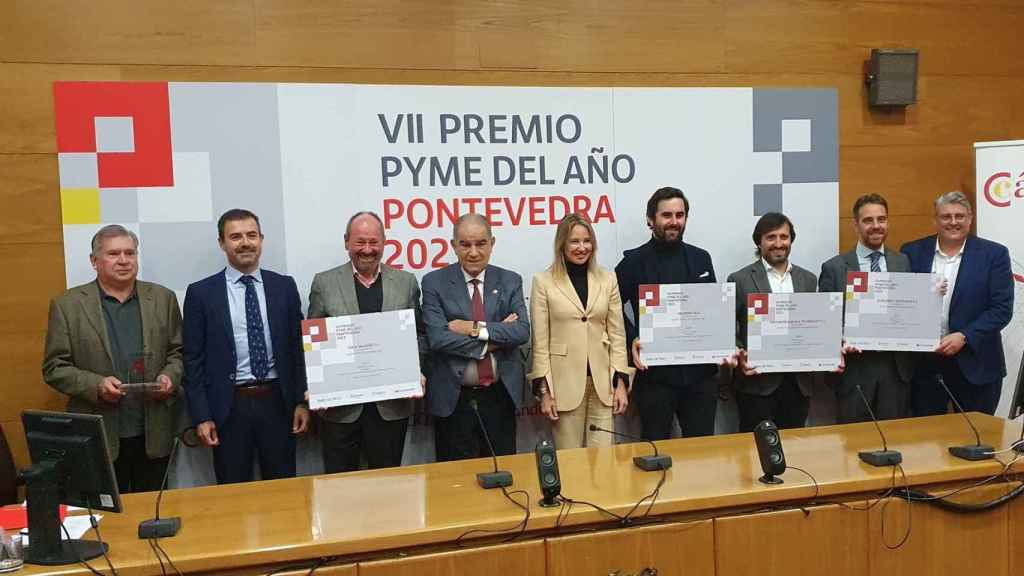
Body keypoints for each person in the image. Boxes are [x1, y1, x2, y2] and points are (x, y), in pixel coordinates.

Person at [43, 225, 184, 493]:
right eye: (114, 253)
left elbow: (178, 352)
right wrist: (96, 385)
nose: (123, 260)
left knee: (152, 512)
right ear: (94, 261)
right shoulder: (68, 305)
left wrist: (170, 377)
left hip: (153, 431)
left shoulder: (163, 298)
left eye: (130, 253)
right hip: (99, 432)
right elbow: (54, 367)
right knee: (107, 518)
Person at [182, 209, 310, 484]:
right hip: (228, 408)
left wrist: (301, 401)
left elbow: (298, 349)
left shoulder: (284, 287)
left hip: (278, 403)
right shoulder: (201, 293)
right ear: (222, 243)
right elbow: (192, 360)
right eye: (235, 236)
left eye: (252, 235)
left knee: (283, 492)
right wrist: (201, 416)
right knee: (232, 491)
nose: (245, 243)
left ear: (261, 239)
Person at [307, 211, 427, 473]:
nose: (368, 250)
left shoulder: (406, 282)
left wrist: (415, 372)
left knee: (387, 482)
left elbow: (418, 335)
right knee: (340, 485)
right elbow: (314, 339)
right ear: (346, 242)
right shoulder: (324, 283)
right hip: (340, 409)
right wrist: (317, 383)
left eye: (374, 242)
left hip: (391, 406)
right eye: (360, 242)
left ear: (384, 243)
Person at [615, 187, 729, 440]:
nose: (674, 222)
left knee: (701, 453)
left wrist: (722, 343)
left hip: (701, 376)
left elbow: (710, 310)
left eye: (680, 215)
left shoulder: (702, 258)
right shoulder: (633, 262)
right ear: (650, 220)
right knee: (655, 451)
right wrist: (632, 336)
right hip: (656, 377)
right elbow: (609, 309)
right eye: (666, 215)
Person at [421, 213, 530, 461]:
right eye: (465, 244)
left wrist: (472, 328)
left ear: (492, 243)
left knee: (504, 474)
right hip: (454, 398)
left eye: (481, 243)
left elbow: (522, 331)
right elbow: (438, 338)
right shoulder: (434, 283)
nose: (473, 252)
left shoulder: (510, 280)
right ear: (453, 245)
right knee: (455, 483)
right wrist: (494, 338)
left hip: (499, 396)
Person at [901, 191, 1014, 416]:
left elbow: (1002, 309)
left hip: (976, 363)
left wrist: (965, 336)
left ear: (970, 219)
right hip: (925, 364)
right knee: (927, 440)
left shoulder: (994, 254)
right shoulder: (912, 252)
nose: (953, 222)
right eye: (946, 216)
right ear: (935, 220)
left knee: (978, 440)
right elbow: (901, 300)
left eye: (960, 216)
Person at [529, 213, 631, 449]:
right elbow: (540, 343)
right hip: (563, 387)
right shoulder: (543, 282)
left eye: (587, 241)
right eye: (574, 241)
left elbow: (618, 335)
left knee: (604, 463)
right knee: (569, 463)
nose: (581, 247)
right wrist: (545, 391)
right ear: (562, 244)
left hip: (603, 384)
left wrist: (621, 384)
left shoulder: (608, 279)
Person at [819, 194, 915, 423]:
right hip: (855, 370)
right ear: (855, 224)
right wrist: (841, 339)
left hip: (895, 368)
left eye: (881, 219)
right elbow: (826, 321)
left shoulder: (902, 262)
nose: (876, 226)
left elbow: (910, 309)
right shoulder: (834, 268)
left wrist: (932, 295)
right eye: (868, 220)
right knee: (853, 443)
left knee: (893, 440)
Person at [728, 212, 817, 432]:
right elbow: (728, 328)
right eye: (771, 237)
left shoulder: (808, 279)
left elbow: (815, 326)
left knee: (794, 451)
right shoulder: (739, 279)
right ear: (759, 241)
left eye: (784, 237)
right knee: (754, 451)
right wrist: (738, 352)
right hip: (757, 384)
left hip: (798, 383)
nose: (778, 243)